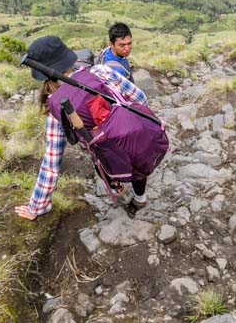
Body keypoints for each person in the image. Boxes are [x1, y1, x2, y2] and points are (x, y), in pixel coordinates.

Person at [15, 35, 149, 221]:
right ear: (69, 57)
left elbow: (51, 163)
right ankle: (140, 199)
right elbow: (141, 99)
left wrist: (36, 207)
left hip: (104, 152)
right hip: (134, 136)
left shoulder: (56, 108)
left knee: (104, 163)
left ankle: (119, 190)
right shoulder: (101, 72)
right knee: (139, 166)